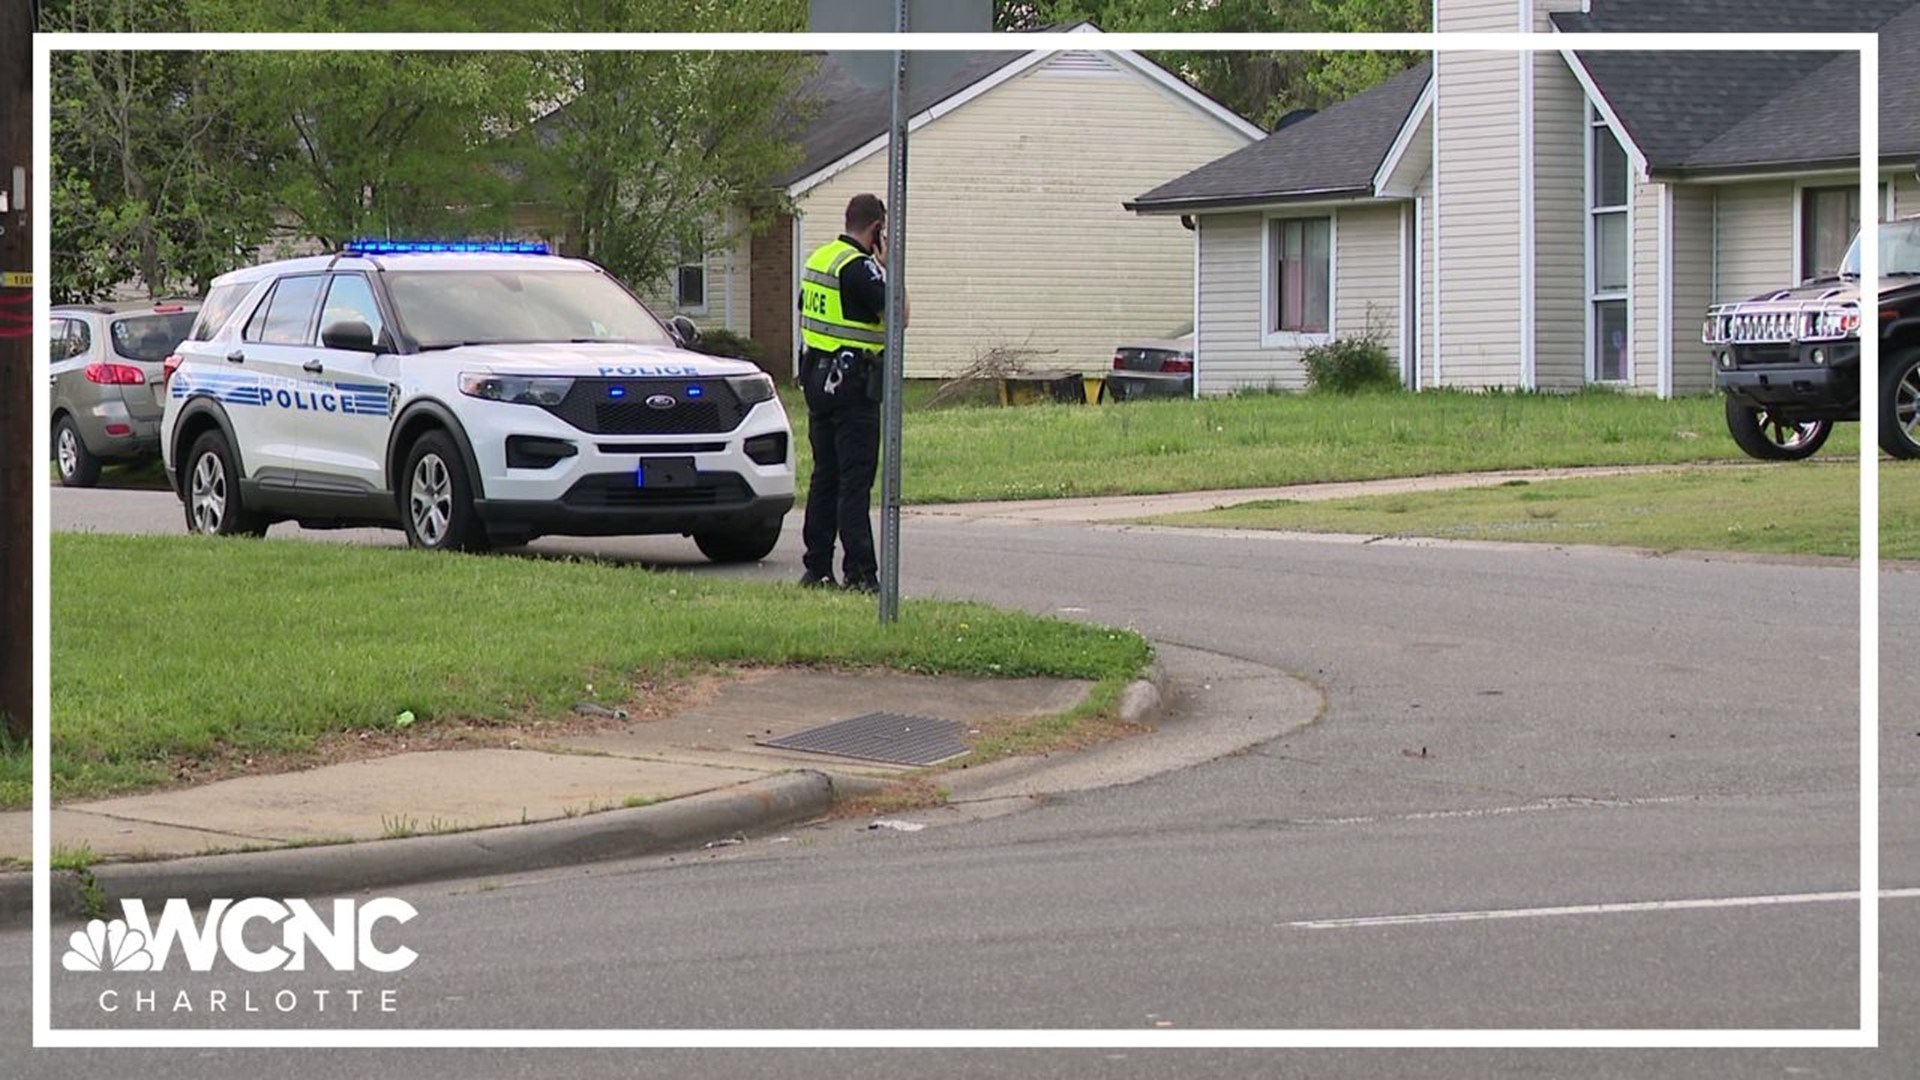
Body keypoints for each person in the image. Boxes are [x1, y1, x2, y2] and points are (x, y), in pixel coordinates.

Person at [796, 193, 908, 593]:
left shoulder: (818, 260)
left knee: (824, 477)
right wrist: (890, 264)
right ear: (876, 228)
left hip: (817, 381)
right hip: (852, 386)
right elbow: (900, 315)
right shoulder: (861, 268)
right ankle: (860, 574)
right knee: (854, 481)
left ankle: (817, 567)